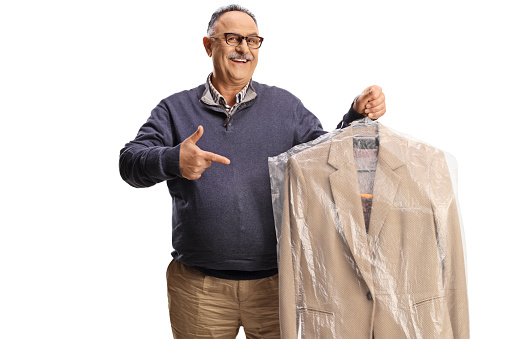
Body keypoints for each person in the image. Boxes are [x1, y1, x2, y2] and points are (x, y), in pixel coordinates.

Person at [119, 4, 386, 339]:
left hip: (277, 284)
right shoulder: (175, 109)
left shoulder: (285, 107)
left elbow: (325, 158)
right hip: (199, 290)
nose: (243, 48)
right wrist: (173, 160)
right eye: (232, 39)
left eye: (252, 40)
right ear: (208, 45)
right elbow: (129, 162)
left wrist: (354, 117)